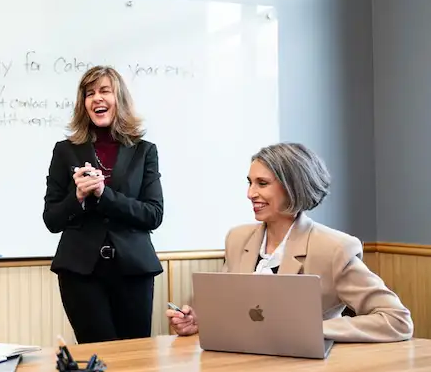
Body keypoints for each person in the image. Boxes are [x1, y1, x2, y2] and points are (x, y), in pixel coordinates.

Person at [167, 142, 413, 343]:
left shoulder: (335, 248)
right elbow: (226, 310)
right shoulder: (237, 238)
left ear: (293, 187)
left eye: (262, 183)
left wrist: (315, 329)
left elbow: (397, 320)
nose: (250, 193)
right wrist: (197, 321)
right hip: (239, 369)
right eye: (249, 182)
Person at [43, 65, 164, 344]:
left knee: (134, 362)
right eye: (89, 93)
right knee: (96, 358)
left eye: (105, 91)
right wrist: (78, 196)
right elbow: (51, 220)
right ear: (83, 104)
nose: (97, 98)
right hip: (80, 273)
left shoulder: (144, 150)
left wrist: (103, 193)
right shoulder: (65, 151)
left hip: (133, 270)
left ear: (118, 98)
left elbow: (153, 214)